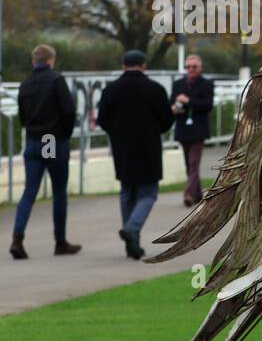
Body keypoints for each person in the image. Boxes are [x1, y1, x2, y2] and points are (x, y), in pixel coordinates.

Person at [96, 50, 175, 260]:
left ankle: (132, 244)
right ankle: (132, 229)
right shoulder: (155, 89)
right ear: (144, 65)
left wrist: (118, 131)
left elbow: (102, 119)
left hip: (122, 147)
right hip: (148, 146)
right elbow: (167, 121)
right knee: (148, 193)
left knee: (127, 193)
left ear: (123, 65)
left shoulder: (110, 90)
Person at [9, 44, 80, 259]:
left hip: (32, 139)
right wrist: (64, 136)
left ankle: (17, 238)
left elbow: (22, 114)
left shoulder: (25, 83)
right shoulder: (56, 80)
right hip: (51, 140)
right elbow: (68, 111)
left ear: (34, 61)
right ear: (51, 60)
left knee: (29, 190)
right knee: (58, 191)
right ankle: (60, 241)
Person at [170, 54, 214, 208]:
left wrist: (188, 101)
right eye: (188, 66)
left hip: (198, 129)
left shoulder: (206, 84)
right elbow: (172, 102)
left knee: (193, 162)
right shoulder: (178, 84)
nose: (191, 69)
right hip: (183, 128)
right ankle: (198, 194)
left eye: (194, 66)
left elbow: (208, 105)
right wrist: (175, 108)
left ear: (200, 68)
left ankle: (188, 194)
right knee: (189, 165)